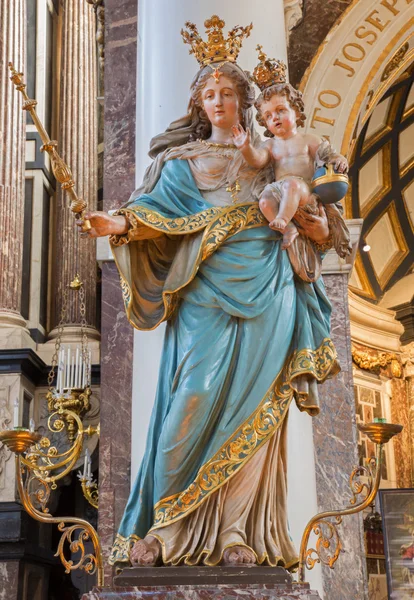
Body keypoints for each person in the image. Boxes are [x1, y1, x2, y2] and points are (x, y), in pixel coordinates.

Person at [78, 16, 341, 568]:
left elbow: (324, 226)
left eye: (228, 91)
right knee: (190, 398)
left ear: (244, 101)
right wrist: (116, 225)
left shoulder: (272, 156)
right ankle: (167, 529)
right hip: (204, 291)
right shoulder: (180, 164)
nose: (218, 99)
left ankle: (236, 535)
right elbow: (149, 215)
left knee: (255, 417)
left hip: (270, 287)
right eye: (209, 92)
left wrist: (310, 222)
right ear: (198, 104)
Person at [232, 46, 350, 261]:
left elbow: (329, 155)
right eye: (268, 116)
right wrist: (245, 147)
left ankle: (283, 219)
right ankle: (287, 229)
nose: (274, 118)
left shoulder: (308, 140)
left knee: (292, 185)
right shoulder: (270, 145)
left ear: (296, 110)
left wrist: (339, 160)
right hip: (280, 190)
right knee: (265, 200)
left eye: (281, 110)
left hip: (304, 191)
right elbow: (257, 161)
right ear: (264, 122)